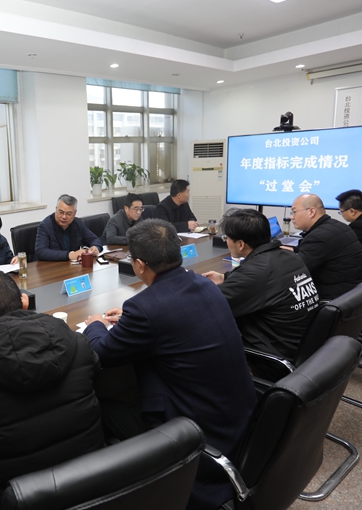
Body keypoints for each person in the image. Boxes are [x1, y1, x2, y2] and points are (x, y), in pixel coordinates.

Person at [83, 219, 256, 510]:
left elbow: (101, 352)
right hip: (239, 423)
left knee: (97, 407)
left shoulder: (146, 308)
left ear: (139, 265)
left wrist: (96, 324)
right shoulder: (204, 283)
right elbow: (170, 315)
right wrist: (132, 319)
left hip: (195, 434)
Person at [0, 270, 104, 510]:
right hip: (91, 483)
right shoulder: (78, 343)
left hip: (11, 499)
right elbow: (96, 377)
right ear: (24, 303)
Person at [202, 210, 319, 377]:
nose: (226, 241)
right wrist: (225, 277)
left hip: (272, 361)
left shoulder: (256, 272)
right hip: (304, 349)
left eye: (226, 238)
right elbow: (264, 281)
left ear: (240, 244)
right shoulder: (288, 256)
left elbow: (207, 307)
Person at [286, 194, 362, 301]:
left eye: (294, 212)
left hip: (337, 297)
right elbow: (320, 252)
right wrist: (294, 250)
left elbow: (296, 272)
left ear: (311, 212)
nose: (291, 217)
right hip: (357, 292)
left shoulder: (318, 236)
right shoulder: (337, 226)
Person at [35, 194, 103, 261]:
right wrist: (70, 255)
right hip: (49, 266)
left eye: (69, 214)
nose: (64, 217)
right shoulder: (45, 226)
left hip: (71, 265)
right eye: (61, 212)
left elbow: (95, 239)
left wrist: (95, 247)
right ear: (56, 209)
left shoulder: (77, 223)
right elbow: (41, 251)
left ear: (75, 213)